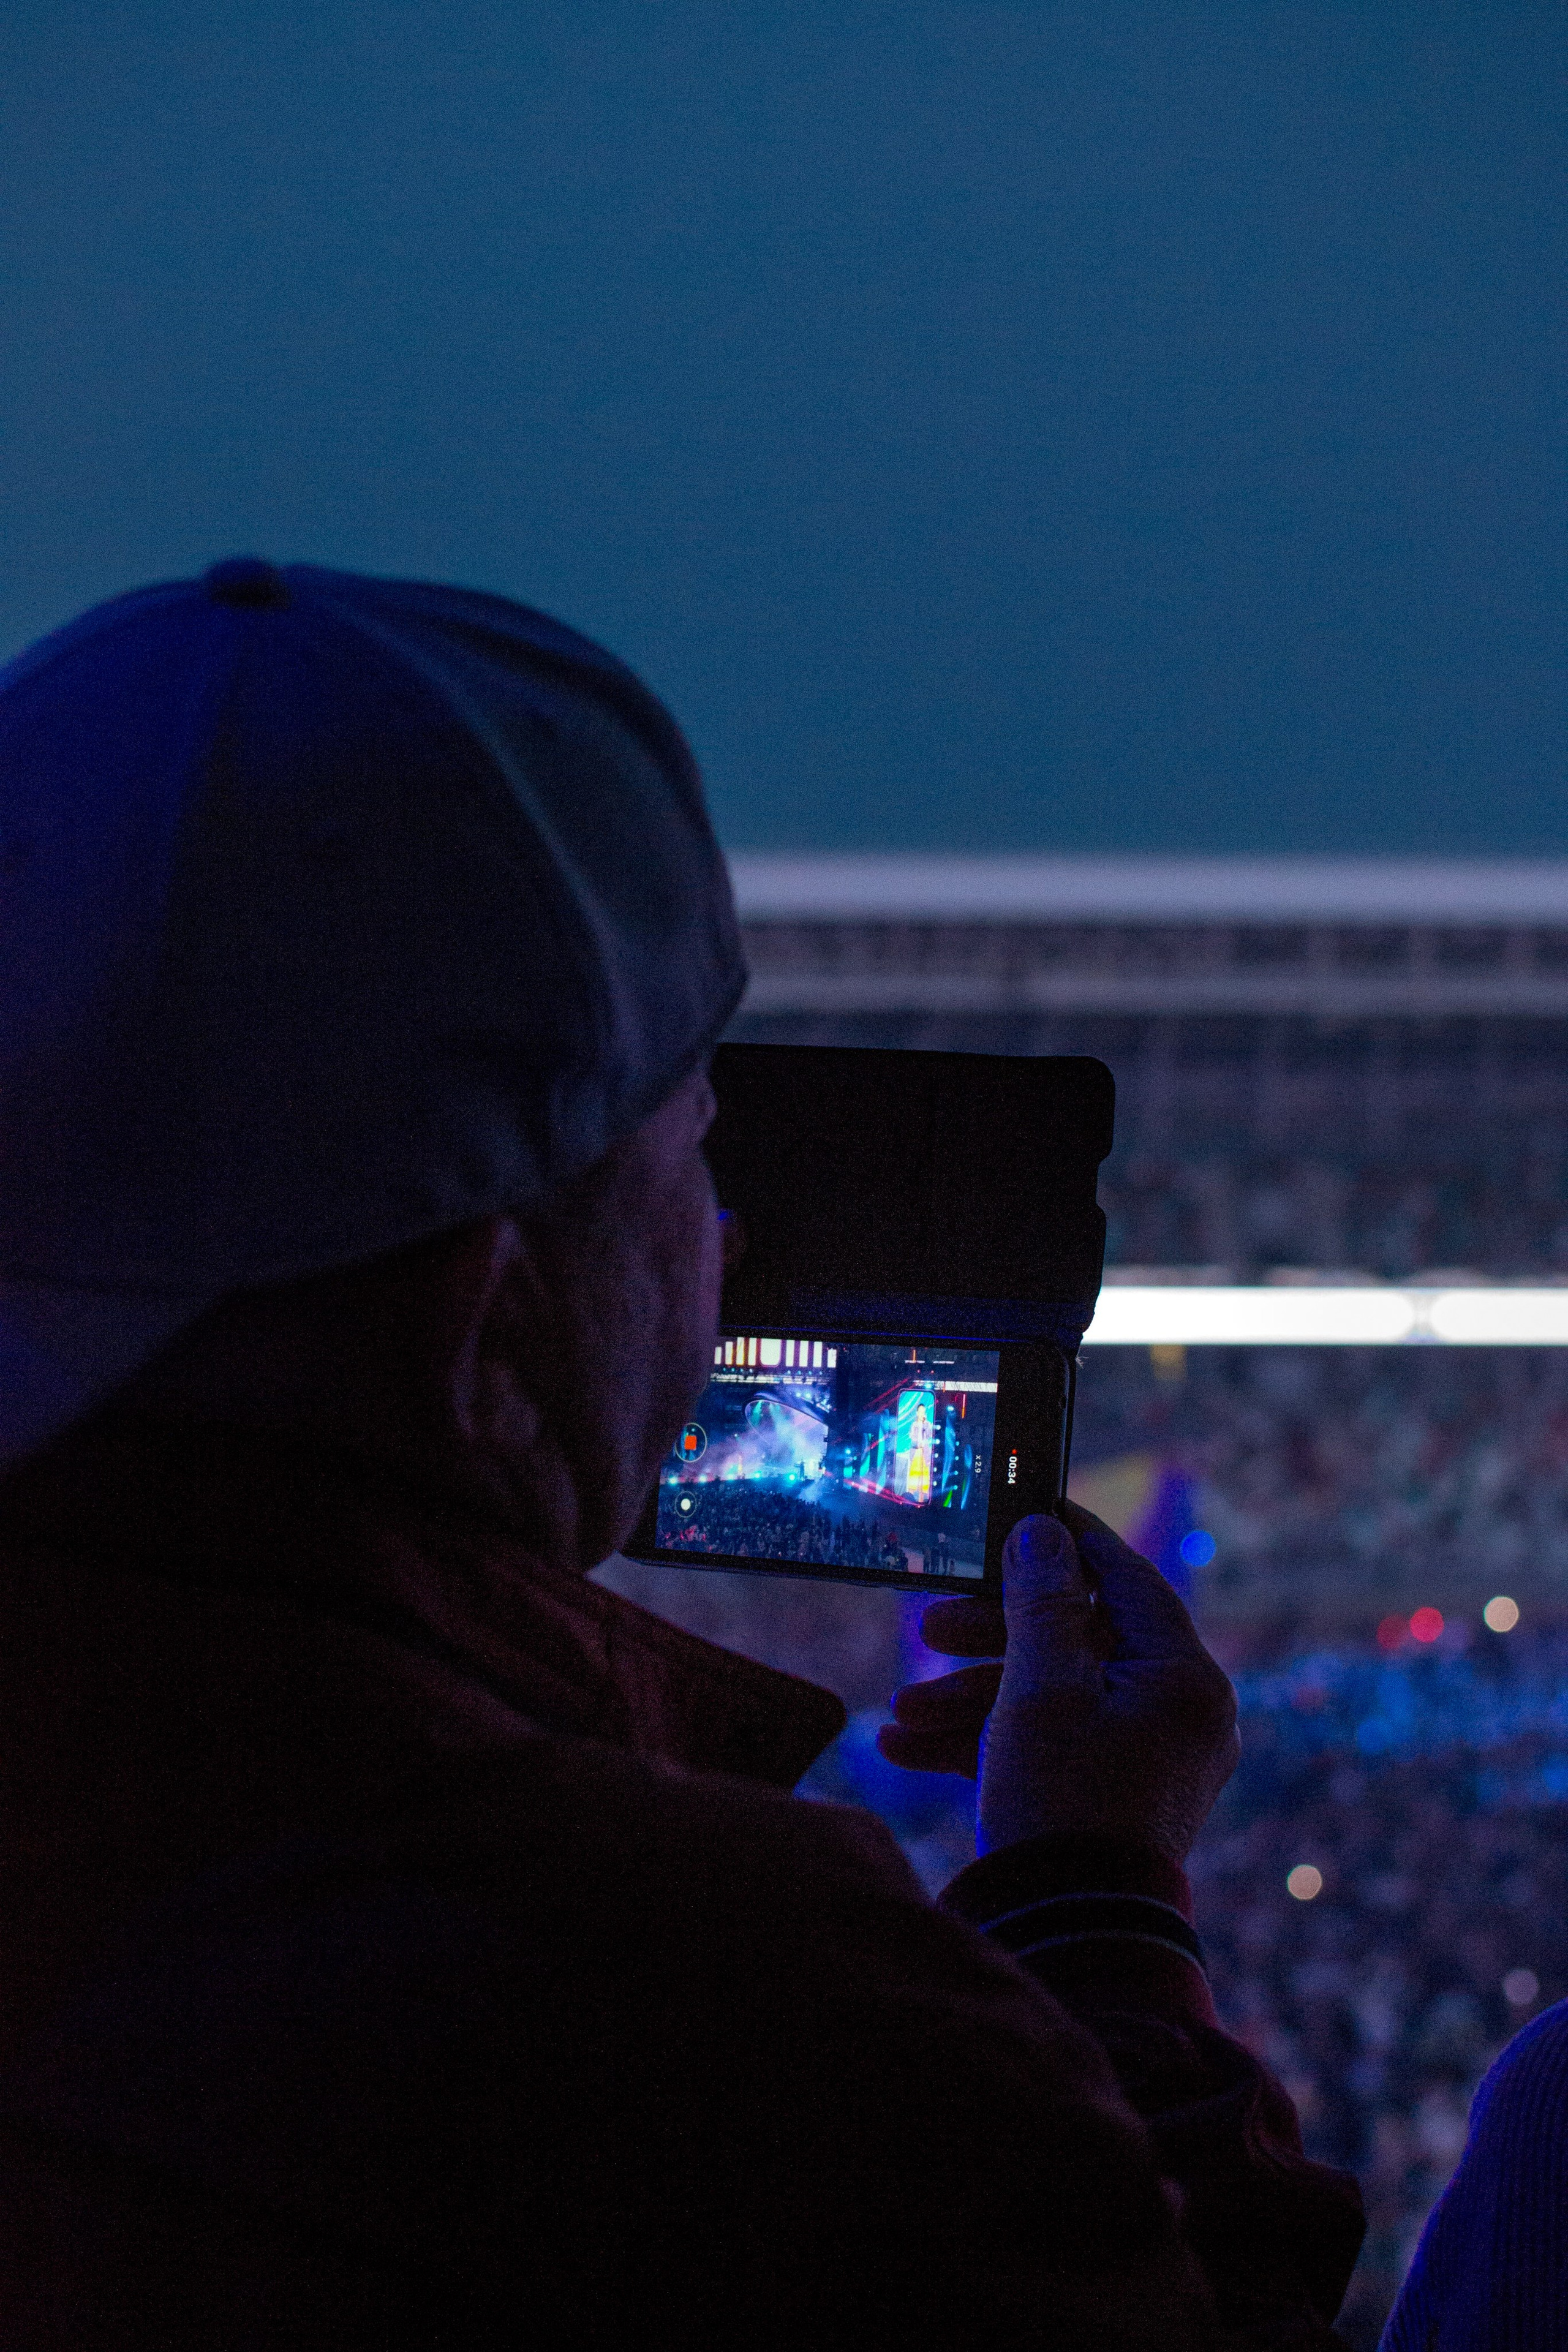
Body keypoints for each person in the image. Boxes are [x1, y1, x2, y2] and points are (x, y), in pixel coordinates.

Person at [0, 557, 1363, 2346]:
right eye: (693, 1160)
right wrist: (1094, 1897)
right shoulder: (727, 2017)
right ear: (484, 1319)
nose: (726, 1249)